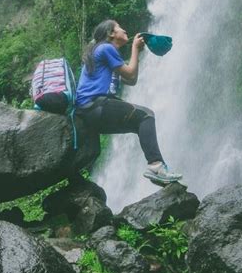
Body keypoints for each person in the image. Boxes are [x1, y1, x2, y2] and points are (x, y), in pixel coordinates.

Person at [75, 19, 182, 185]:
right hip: (95, 105)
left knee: (138, 124)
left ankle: (158, 171)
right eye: (119, 27)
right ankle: (156, 166)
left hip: (89, 112)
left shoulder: (104, 56)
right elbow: (131, 75)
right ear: (111, 34)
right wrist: (135, 49)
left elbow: (131, 81)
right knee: (146, 115)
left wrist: (135, 53)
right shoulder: (106, 48)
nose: (124, 30)